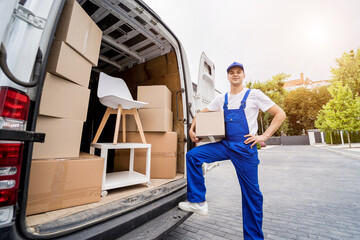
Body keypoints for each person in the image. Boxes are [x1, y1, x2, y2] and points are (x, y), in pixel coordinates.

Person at [178, 62, 286, 239]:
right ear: (227, 77)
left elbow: (280, 114)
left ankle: (253, 238)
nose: (235, 74)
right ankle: (198, 201)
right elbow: (201, 113)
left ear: (244, 75)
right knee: (193, 156)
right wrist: (191, 128)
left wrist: (263, 136)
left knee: (252, 195)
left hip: (245, 148)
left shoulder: (254, 95)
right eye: (231, 72)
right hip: (227, 145)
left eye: (238, 72)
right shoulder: (223, 99)